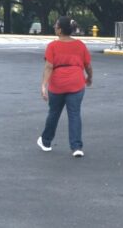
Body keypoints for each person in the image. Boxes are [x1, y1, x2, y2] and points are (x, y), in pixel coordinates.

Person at [37, 16, 93, 157]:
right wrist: (89, 77)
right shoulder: (80, 45)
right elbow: (88, 65)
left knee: (54, 113)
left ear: (60, 30)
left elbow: (49, 66)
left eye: (56, 26)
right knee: (74, 114)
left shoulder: (52, 46)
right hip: (76, 82)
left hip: (58, 84)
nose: (54, 27)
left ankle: (46, 142)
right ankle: (76, 147)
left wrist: (44, 86)